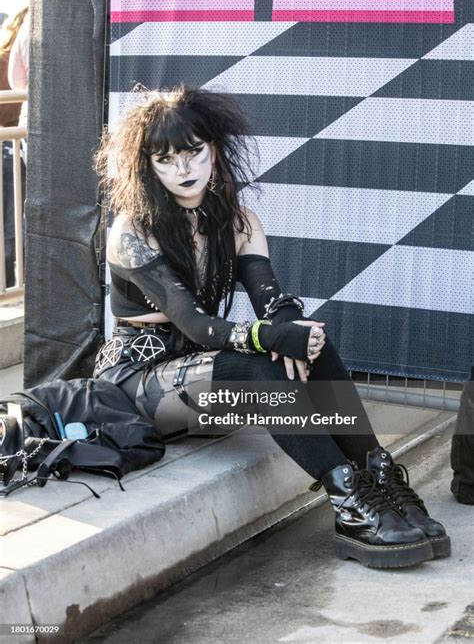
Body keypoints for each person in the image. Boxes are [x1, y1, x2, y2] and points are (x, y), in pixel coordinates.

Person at [94, 85, 450, 569]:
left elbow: (269, 297)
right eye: (166, 159)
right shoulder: (132, 230)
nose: (184, 170)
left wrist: (293, 328)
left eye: (194, 152)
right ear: (147, 166)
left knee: (313, 343)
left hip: (204, 372)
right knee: (261, 370)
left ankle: (380, 477)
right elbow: (195, 324)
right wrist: (267, 336)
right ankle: (348, 500)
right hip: (138, 382)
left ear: (214, 149)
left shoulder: (238, 221)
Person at [0, 7, 28, 286]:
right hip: (12, 147)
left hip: (14, 145)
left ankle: (9, 283)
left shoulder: (7, 55)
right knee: (14, 221)